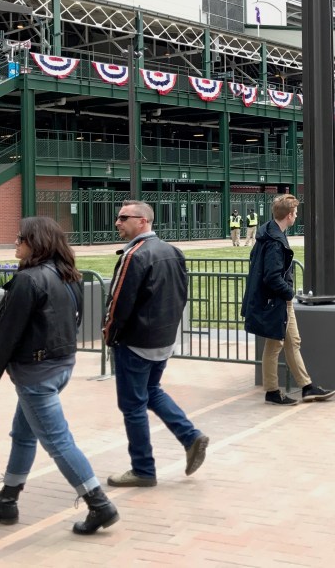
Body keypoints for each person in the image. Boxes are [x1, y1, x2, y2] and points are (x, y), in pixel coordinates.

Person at [0, 216, 119, 536]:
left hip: (36, 374)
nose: (15, 242)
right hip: (60, 365)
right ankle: (7, 499)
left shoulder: (30, 279)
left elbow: (8, 333)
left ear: (35, 242)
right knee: (23, 434)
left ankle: (99, 504)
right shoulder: (68, 274)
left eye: (19, 238)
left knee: (58, 441)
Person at [104, 200, 210, 487]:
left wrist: (109, 334)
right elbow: (181, 295)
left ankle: (143, 469)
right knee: (150, 391)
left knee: (133, 405)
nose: (118, 222)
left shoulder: (135, 256)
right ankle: (190, 437)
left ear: (142, 221)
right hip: (162, 340)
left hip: (136, 342)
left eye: (123, 217)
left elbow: (118, 303)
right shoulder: (172, 251)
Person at [241, 193, 335, 406]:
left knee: (292, 342)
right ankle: (273, 391)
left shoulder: (269, 234)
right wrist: (288, 293)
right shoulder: (275, 241)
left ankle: (307, 387)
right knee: (275, 345)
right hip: (278, 301)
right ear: (290, 215)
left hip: (278, 300)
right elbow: (272, 276)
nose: (296, 216)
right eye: (295, 213)